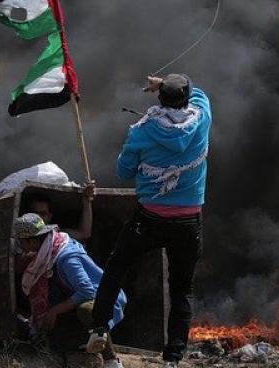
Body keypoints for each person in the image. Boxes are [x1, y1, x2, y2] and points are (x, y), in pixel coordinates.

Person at [88, 74, 210, 367]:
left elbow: (124, 171)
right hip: (188, 223)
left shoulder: (142, 132)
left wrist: (145, 157)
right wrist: (166, 81)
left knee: (116, 268)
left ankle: (100, 327)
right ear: (186, 98)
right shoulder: (202, 118)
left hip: (149, 219)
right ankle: (172, 359)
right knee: (182, 291)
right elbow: (200, 93)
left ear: (159, 99)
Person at [13, 213, 127, 368]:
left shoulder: (66, 257)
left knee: (87, 310)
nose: (21, 247)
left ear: (32, 242)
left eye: (21, 242)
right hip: (78, 299)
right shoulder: (47, 256)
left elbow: (87, 291)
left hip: (104, 300)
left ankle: (111, 360)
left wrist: (54, 311)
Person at [24, 181, 96, 241]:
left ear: (49, 217)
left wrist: (86, 201)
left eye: (43, 214)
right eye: (35, 213)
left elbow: (84, 233)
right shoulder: (21, 237)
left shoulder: (57, 235)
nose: (38, 218)